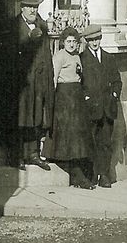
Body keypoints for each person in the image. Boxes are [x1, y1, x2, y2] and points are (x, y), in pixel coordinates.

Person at [7, 0, 53, 170]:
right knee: (21, 117)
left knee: (35, 117)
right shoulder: (14, 26)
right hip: (21, 83)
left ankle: (33, 154)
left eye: (35, 7)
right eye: (29, 7)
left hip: (38, 81)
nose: (32, 10)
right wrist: (28, 38)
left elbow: (47, 55)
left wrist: (48, 78)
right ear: (22, 7)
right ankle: (17, 155)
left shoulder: (42, 26)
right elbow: (10, 54)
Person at [44, 27, 93, 188]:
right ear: (63, 42)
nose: (71, 44)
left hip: (76, 97)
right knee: (68, 134)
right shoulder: (59, 57)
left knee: (78, 135)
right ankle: (75, 173)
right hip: (64, 99)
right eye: (68, 41)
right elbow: (53, 79)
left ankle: (79, 172)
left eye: (74, 41)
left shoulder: (77, 56)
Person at [80, 24, 121, 188]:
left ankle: (104, 175)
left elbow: (117, 81)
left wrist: (114, 95)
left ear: (100, 39)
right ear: (87, 41)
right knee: (90, 142)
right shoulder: (82, 59)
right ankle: (91, 174)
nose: (95, 43)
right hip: (91, 109)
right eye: (91, 40)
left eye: (97, 39)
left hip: (107, 108)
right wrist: (86, 98)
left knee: (105, 142)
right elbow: (79, 84)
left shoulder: (109, 58)